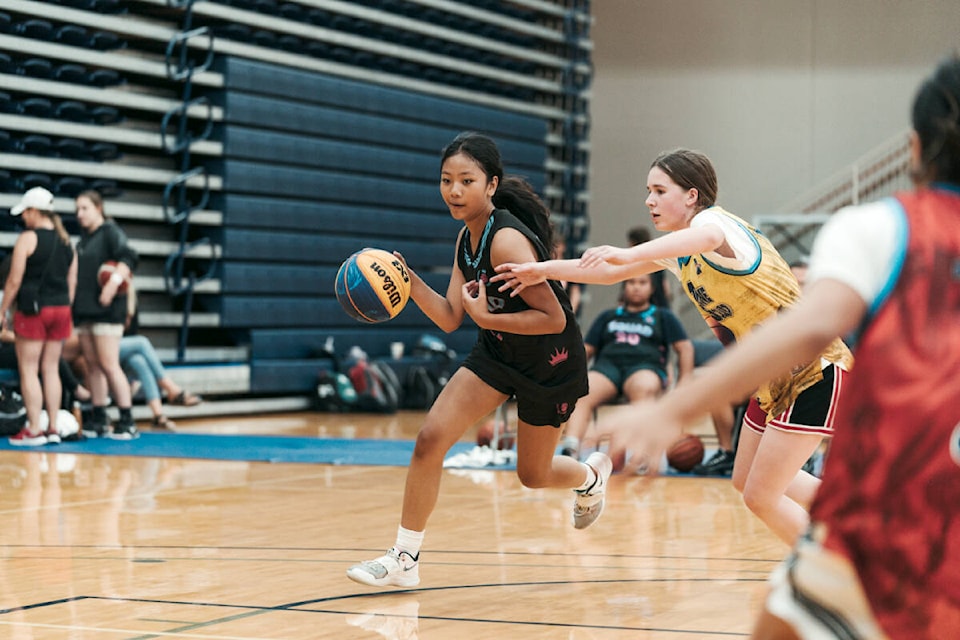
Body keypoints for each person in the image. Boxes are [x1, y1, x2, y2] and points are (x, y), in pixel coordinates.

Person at [600, 54, 960, 640]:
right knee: (756, 487)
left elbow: (805, 329)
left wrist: (670, 409)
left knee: (779, 599)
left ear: (915, 149)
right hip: (919, 508)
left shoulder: (879, 228)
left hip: (895, 476)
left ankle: (845, 535)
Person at [494, 149, 853, 545]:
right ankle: (851, 515)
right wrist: (540, 270)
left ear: (691, 196)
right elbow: (607, 271)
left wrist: (629, 252)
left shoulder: (714, 223)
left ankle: (838, 566)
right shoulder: (678, 254)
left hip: (812, 368)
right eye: (648, 190)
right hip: (772, 380)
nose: (649, 200)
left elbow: (707, 237)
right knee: (746, 480)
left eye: (659, 190)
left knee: (761, 496)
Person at [346, 131, 611, 588]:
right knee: (430, 439)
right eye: (446, 180)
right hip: (497, 351)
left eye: (466, 180)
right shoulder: (465, 239)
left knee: (533, 474)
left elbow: (552, 318)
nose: (453, 190)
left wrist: (487, 317)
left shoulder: (505, 241)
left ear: (490, 185)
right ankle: (405, 558)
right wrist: (406, 282)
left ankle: (589, 475)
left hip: (551, 362)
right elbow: (451, 316)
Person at [559, 274, 693, 459]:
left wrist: (684, 382)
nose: (636, 287)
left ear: (652, 288)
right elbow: (586, 350)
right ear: (624, 287)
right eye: (631, 282)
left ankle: (642, 453)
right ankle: (571, 448)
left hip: (645, 367)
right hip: (607, 368)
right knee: (582, 390)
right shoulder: (608, 316)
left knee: (644, 387)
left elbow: (685, 348)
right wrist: (569, 375)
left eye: (642, 282)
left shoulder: (663, 316)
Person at [0, 187, 77, 445]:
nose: (23, 218)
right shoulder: (67, 242)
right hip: (61, 308)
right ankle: (53, 427)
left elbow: (13, 280)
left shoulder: (28, 238)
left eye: (25, 213)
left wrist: (2, 311)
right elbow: (72, 283)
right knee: (51, 368)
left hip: (34, 309)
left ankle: (34, 429)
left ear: (34, 211)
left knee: (29, 369)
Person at [72, 190, 139, 440]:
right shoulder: (84, 239)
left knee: (110, 364)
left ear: (98, 208)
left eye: (84, 208)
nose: (80, 214)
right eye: (77, 209)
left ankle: (127, 418)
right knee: (92, 367)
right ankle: (99, 417)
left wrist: (112, 285)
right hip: (85, 311)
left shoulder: (110, 232)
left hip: (108, 312)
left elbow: (129, 257)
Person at [121, 286, 201, 431]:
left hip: (114, 353)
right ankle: (172, 389)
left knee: (138, 360)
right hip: (97, 348)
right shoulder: (104, 290)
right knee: (142, 342)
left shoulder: (129, 296)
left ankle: (158, 416)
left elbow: (128, 332)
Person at [626, 225, 672, 308]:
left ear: (633, 242)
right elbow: (665, 285)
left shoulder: (634, 263)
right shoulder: (656, 258)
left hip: (654, 303)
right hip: (660, 302)